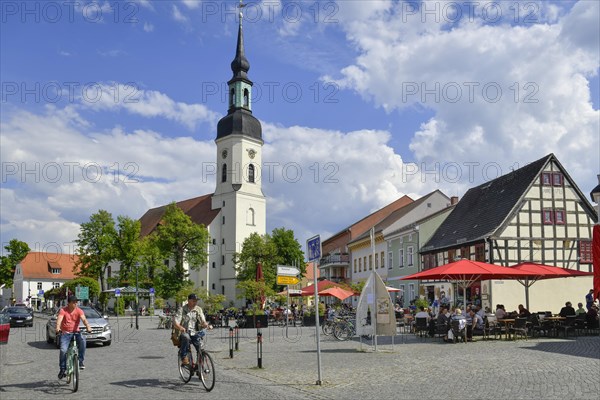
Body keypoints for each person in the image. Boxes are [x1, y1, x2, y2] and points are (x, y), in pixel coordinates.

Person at [56, 295, 92, 379]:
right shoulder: (63, 310)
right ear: (69, 303)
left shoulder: (79, 311)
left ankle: (80, 362)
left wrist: (88, 326)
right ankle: (62, 369)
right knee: (63, 350)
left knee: (83, 340)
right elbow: (59, 319)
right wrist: (57, 327)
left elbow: (84, 319)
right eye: (74, 302)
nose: (76, 304)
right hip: (66, 333)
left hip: (76, 332)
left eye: (76, 302)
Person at [173, 293, 209, 366]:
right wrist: (180, 328)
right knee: (186, 337)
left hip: (195, 332)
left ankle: (200, 367)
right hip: (184, 332)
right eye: (194, 301)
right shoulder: (182, 310)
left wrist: (205, 324)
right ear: (189, 301)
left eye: (196, 301)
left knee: (199, 348)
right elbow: (175, 322)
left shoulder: (198, 309)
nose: (195, 302)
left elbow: (203, 320)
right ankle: (183, 356)